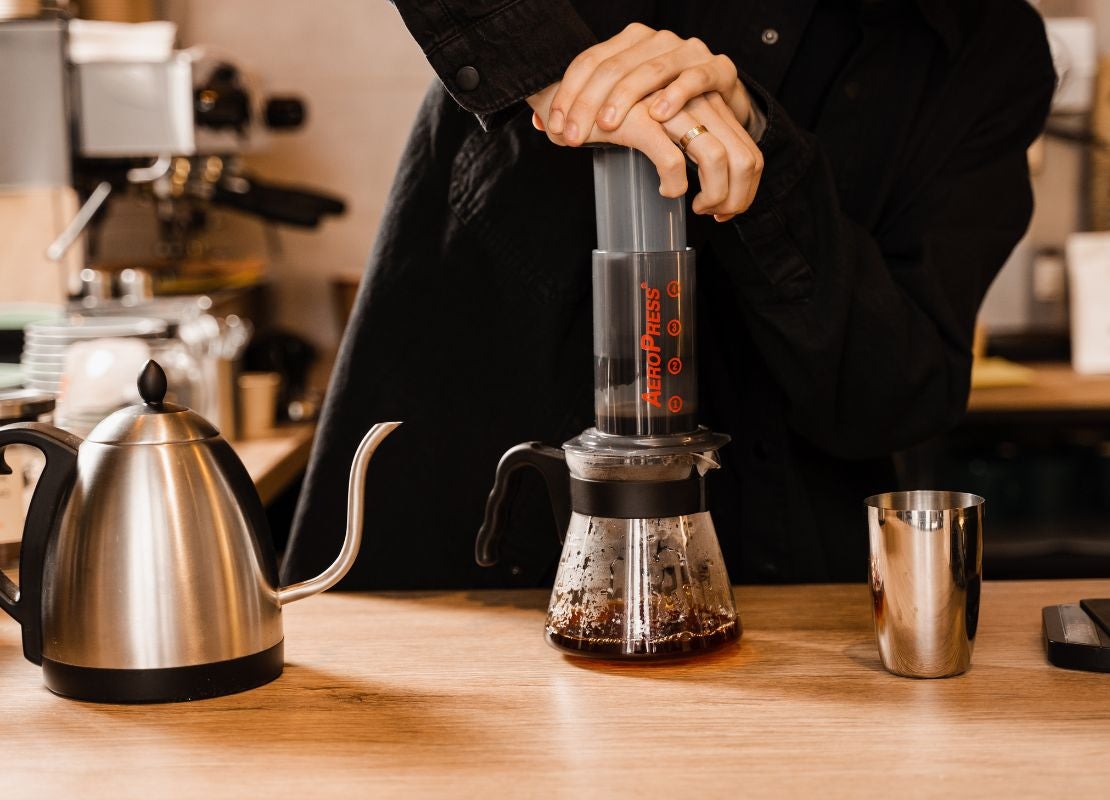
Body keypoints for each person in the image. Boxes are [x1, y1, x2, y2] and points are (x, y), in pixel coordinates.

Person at [280, 1, 1055, 589]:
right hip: (470, 539)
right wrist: (547, 61)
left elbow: (898, 393)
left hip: (788, 596)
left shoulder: (986, 49)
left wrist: (762, 151)